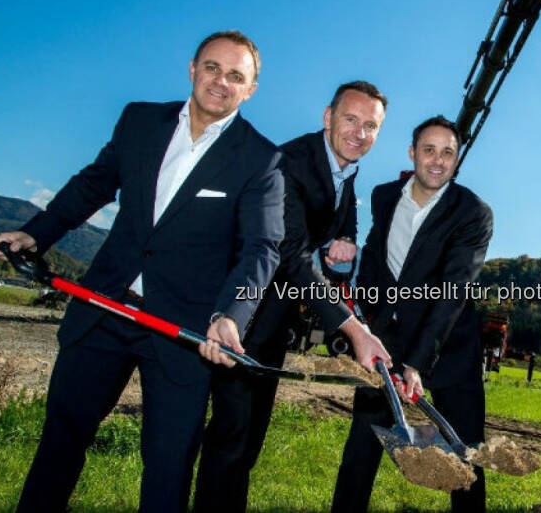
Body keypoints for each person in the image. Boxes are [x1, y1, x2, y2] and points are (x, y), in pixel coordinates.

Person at [0, 30, 286, 513]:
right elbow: (93, 186)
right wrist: (36, 234)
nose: (220, 82)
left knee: (169, 466)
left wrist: (231, 314)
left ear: (250, 90)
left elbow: (261, 249)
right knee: (61, 439)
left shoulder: (261, 159)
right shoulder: (140, 120)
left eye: (236, 76)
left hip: (184, 330)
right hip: (103, 307)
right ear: (192, 68)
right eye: (212, 68)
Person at [194, 81, 392, 512]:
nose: (359, 133)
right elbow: (294, 258)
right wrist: (354, 329)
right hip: (237, 312)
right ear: (327, 117)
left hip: (273, 320)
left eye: (371, 126)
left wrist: (345, 240)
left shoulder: (344, 171)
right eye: (350, 120)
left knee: (248, 442)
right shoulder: (290, 164)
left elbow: (345, 215)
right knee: (230, 436)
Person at [331, 116, 494, 513]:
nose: (437, 161)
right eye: (429, 150)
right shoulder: (385, 196)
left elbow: (453, 292)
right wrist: (365, 326)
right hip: (386, 340)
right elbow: (373, 258)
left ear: (457, 160)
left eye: (448, 153)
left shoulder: (473, 212)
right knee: (361, 447)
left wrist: (418, 363)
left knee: (466, 453)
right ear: (412, 153)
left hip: (450, 345)